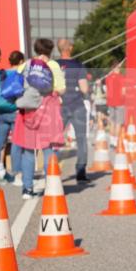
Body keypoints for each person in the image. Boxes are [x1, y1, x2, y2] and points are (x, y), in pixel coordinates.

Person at [11, 39, 64, 199]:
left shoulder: (25, 65)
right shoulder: (53, 66)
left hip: (28, 111)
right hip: (47, 110)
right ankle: (50, 187)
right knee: (48, 150)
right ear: (50, 51)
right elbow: (61, 89)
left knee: (28, 151)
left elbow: (17, 85)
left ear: (35, 49)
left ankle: (27, 189)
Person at [55, 39, 90, 182]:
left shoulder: (54, 65)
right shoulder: (78, 65)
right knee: (81, 140)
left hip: (59, 107)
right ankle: (80, 173)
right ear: (69, 48)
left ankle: (51, 170)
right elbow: (84, 88)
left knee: (54, 139)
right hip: (77, 106)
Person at [0, 48, 21, 184]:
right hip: (13, 111)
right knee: (16, 142)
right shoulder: (16, 74)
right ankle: (17, 174)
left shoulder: (0, 73)